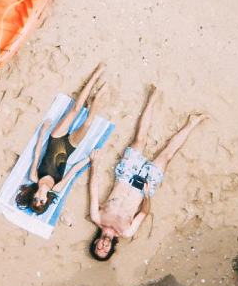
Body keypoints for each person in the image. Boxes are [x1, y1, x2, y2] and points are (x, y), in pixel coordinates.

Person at [88, 85, 206, 260]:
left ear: (96, 242)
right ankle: (192, 123)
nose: (103, 246)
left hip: (125, 176)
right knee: (166, 155)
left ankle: (153, 97)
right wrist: (147, 195)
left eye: (99, 248)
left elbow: (94, 190)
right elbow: (143, 213)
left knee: (139, 140)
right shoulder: (126, 231)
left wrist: (95, 164)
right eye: (105, 251)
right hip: (142, 188)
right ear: (111, 249)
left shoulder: (97, 217)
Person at [18, 62, 106, 214]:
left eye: (35, 199)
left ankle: (96, 75)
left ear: (32, 195)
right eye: (42, 201)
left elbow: (37, 154)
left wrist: (42, 132)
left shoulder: (34, 177)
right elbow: (73, 170)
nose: (39, 197)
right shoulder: (57, 188)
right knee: (88, 123)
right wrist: (90, 160)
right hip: (70, 147)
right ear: (47, 201)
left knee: (76, 109)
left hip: (56, 138)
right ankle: (98, 96)